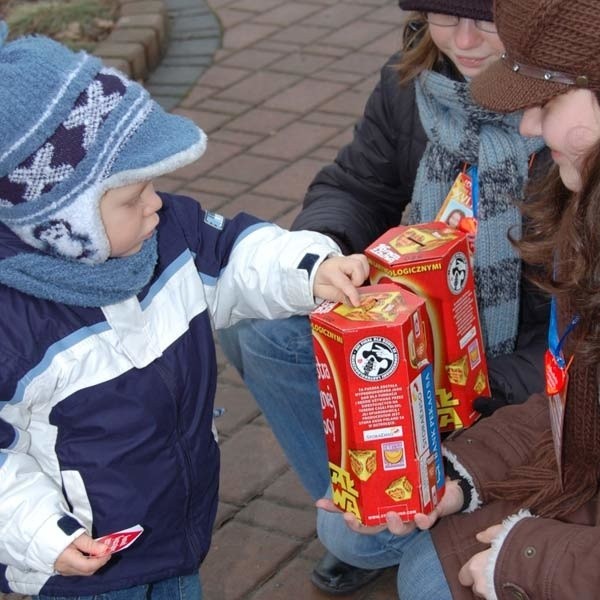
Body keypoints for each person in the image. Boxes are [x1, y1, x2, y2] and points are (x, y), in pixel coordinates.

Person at [0, 24, 370, 600]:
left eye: (150, 186)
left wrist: (309, 269)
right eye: (130, 197)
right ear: (61, 224)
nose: (155, 203)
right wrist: (41, 535)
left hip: (178, 524)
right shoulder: (13, 325)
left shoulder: (166, 234)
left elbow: (237, 256)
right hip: (81, 561)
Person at [218, 0, 551, 593]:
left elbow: (574, 344)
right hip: (408, 332)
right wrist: (324, 260)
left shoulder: (570, 129)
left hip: (511, 382)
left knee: (387, 558)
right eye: (443, 15)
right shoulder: (415, 85)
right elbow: (358, 184)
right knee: (262, 331)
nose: (464, 39)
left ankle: (424, 519)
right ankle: (364, 499)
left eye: (486, 19)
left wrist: (461, 382)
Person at [317, 0, 600, 598]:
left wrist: (530, 558)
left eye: (545, 105)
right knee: (370, 530)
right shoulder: (587, 203)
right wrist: (454, 474)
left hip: (504, 385)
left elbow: (559, 381)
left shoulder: (571, 187)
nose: (528, 125)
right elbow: (571, 392)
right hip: (537, 425)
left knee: (429, 577)